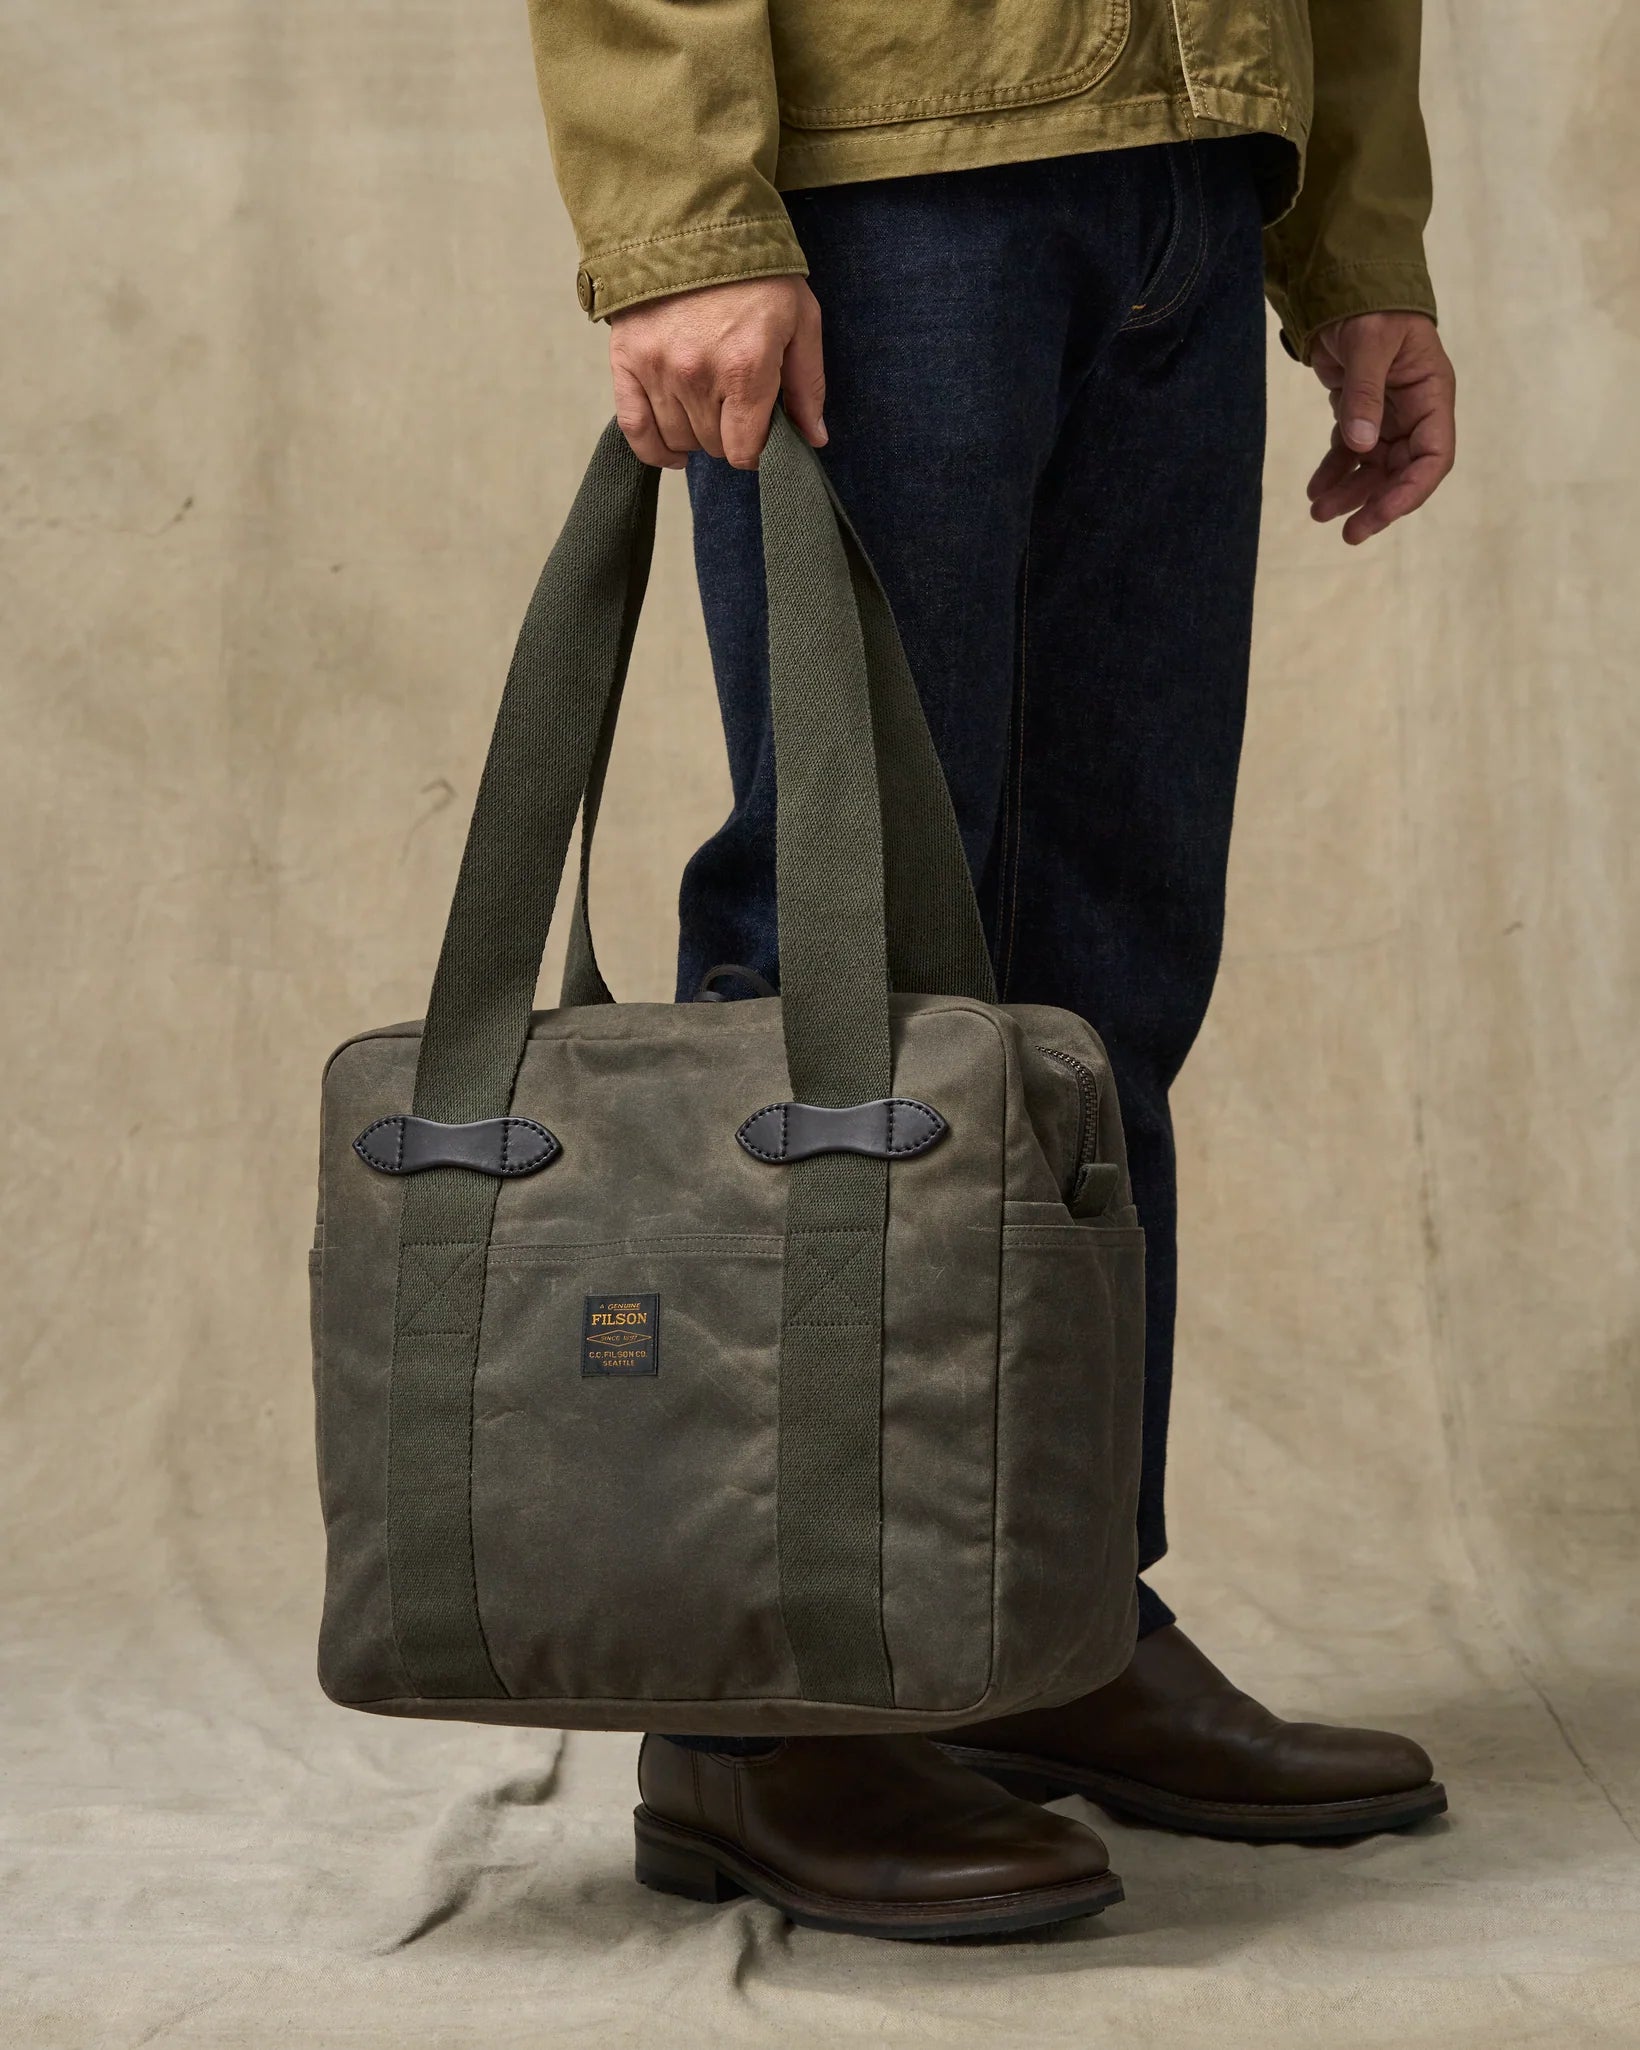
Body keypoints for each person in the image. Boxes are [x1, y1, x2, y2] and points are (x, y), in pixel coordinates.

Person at [528, 0, 1457, 1940]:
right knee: (845, 962)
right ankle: (769, 1705)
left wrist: (1355, 237)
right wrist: (684, 219)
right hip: (892, 177)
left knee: (1103, 977)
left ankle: (1049, 1619)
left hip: (1192, 169)